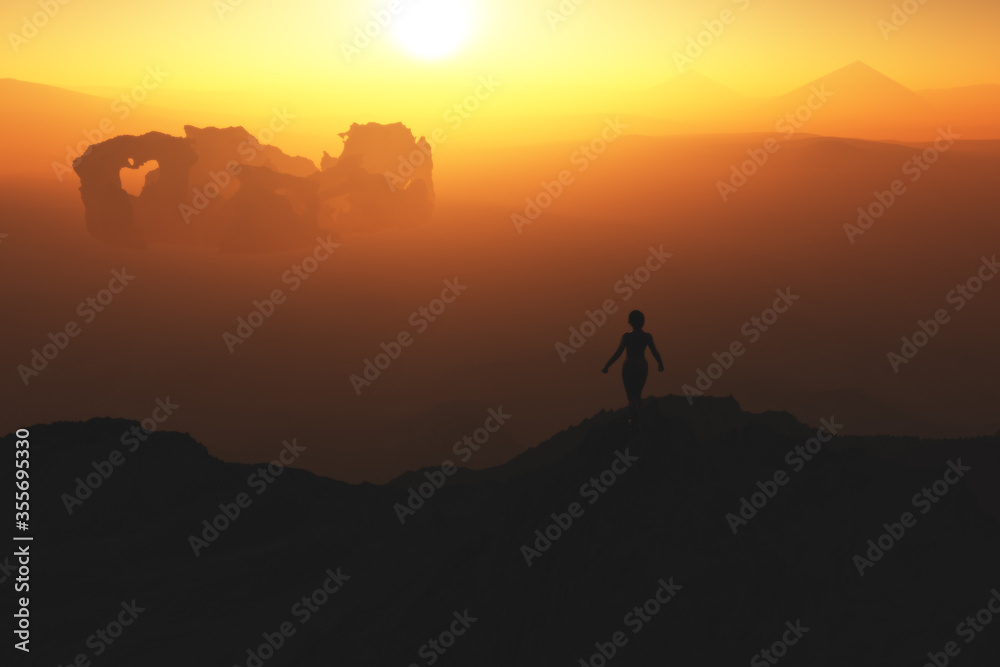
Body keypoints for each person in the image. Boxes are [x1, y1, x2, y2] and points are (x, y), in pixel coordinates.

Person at [602, 310, 663, 429]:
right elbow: (655, 352)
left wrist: (607, 365)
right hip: (642, 365)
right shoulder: (647, 337)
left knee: (630, 395)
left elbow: (618, 353)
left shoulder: (627, 336)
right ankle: (636, 419)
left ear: (630, 322)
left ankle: (634, 421)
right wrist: (660, 363)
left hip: (629, 366)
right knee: (638, 394)